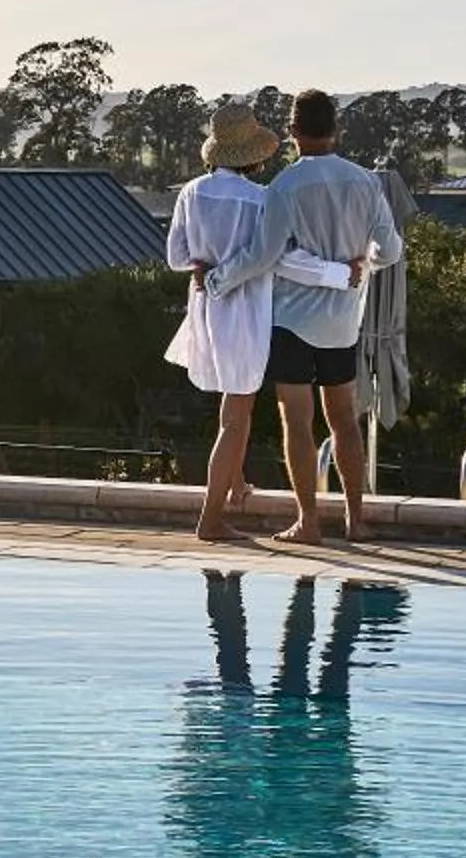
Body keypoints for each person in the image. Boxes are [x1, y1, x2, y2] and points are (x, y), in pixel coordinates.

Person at [204, 89, 406, 544]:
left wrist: (218, 281)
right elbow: (390, 250)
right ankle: (356, 520)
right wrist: (360, 267)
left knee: (296, 422)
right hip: (342, 323)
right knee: (344, 420)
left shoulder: (285, 187)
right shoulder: (364, 182)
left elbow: (262, 255)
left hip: (291, 322)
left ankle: (308, 522)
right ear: (336, 131)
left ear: (294, 133)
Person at [164, 104, 358, 542]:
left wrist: (203, 266)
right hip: (246, 313)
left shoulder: (190, 193)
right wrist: (339, 273)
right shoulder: (259, 200)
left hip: (206, 311)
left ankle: (235, 485)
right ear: (252, 154)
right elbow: (282, 258)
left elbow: (177, 258)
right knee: (236, 414)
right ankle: (210, 520)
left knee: (233, 407)